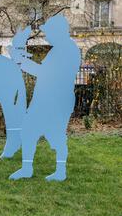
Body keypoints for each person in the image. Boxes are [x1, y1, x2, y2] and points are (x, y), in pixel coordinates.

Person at [10, 15, 81, 181]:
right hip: (45, 100)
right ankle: (27, 168)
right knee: (28, 131)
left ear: (58, 32)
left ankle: (60, 172)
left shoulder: (67, 50)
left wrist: (22, 62)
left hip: (56, 102)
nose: (46, 35)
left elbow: (47, 74)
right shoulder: (59, 49)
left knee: (56, 136)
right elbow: (46, 71)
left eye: (48, 32)